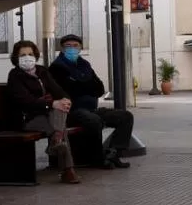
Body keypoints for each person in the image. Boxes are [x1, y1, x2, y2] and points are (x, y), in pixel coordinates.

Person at [49, 34, 132, 169]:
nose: (72, 49)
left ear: (81, 48)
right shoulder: (57, 67)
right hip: (71, 112)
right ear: (62, 49)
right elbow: (68, 91)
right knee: (93, 120)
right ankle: (98, 158)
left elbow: (99, 89)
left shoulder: (85, 65)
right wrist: (86, 85)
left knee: (125, 117)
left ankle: (113, 153)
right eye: (68, 46)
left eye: (75, 46)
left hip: (90, 109)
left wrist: (80, 84)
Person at [6, 40, 81, 184]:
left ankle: (56, 142)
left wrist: (66, 100)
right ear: (16, 58)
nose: (27, 57)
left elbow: (58, 91)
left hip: (47, 114)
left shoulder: (42, 71)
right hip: (27, 118)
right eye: (22, 55)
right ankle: (68, 170)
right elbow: (25, 102)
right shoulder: (15, 75)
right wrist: (51, 103)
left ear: (35, 55)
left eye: (30, 54)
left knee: (61, 107)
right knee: (59, 123)